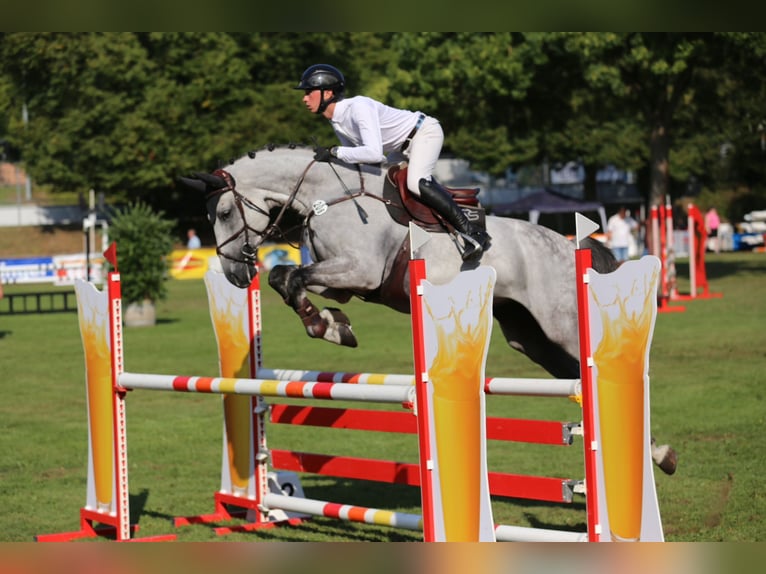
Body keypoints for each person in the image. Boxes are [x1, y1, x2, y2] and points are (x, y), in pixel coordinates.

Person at [295, 64, 490, 261]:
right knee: (382, 186)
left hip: (423, 132)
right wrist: (332, 159)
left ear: (327, 93)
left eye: (309, 92)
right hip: (400, 148)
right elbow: (366, 162)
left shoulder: (358, 107)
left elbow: (373, 153)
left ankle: (473, 232)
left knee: (416, 183)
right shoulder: (336, 121)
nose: (304, 98)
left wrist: (335, 151)